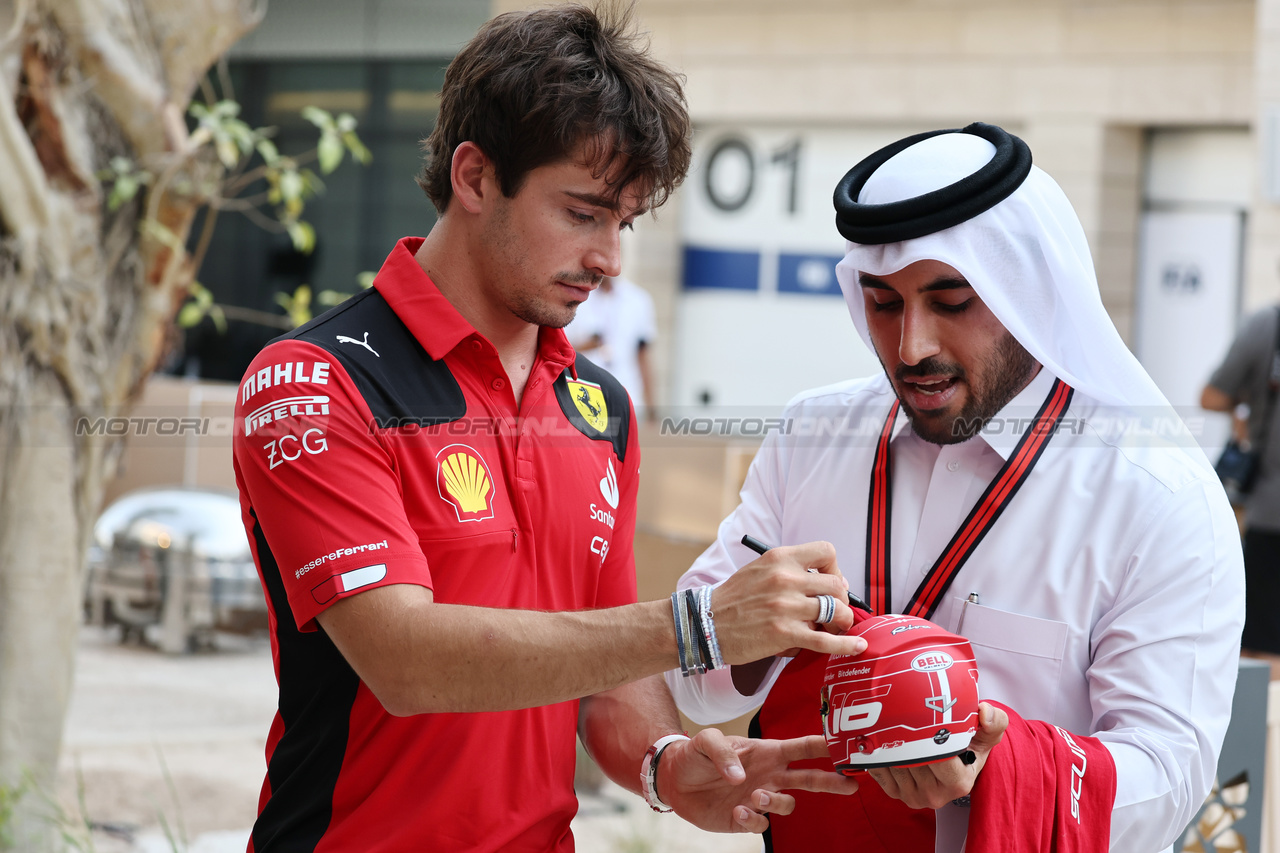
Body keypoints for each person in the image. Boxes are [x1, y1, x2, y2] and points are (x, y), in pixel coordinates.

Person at [230, 6, 867, 852]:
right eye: (583, 213)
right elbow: (406, 661)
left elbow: (609, 677)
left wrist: (670, 763)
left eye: (624, 222)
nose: (610, 258)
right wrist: (700, 625)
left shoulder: (600, 407)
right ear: (474, 176)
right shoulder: (316, 381)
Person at [666, 123, 1245, 852]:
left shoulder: (1158, 499)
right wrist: (751, 632)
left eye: (951, 301)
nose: (913, 347)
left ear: (1026, 292)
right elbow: (687, 682)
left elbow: (1171, 779)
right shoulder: (812, 437)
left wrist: (1000, 767)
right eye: (883, 304)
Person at [1202, 306, 1280, 657]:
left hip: (1271, 510)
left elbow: (1212, 396)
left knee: (1261, 647)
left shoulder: (1267, 327)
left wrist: (1246, 408)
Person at [566, 274, 657, 418]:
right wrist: (586, 346)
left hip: (627, 394)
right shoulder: (574, 296)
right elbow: (558, 350)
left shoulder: (638, 299)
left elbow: (643, 356)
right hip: (583, 395)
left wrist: (652, 406)